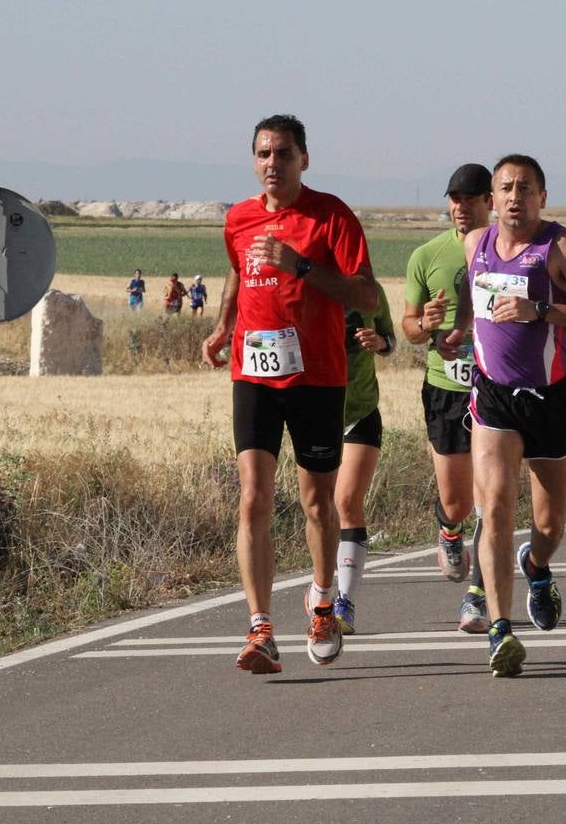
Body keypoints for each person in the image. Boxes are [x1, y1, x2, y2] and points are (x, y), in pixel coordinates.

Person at [201, 114, 377, 675]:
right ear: (253, 161)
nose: (272, 163)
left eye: (283, 154)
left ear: (304, 159)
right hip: (254, 372)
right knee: (252, 496)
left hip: (318, 377)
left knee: (316, 502)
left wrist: (300, 265)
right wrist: (224, 327)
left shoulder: (332, 216)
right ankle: (260, 627)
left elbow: (367, 295)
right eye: (263, 154)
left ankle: (322, 604)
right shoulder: (239, 218)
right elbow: (235, 270)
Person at [446, 154, 566, 677]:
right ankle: (500, 629)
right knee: (494, 507)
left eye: (525, 188)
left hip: (553, 396)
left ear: (543, 197)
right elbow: (474, 309)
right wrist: (452, 332)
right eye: (505, 188)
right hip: (494, 395)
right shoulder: (476, 245)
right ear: (491, 199)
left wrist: (541, 310)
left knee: (549, 523)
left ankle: (537, 565)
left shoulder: (559, 246)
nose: (514, 197)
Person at [402, 163, 493, 634]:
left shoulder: (507, 251)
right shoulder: (427, 255)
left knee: (490, 498)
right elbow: (410, 328)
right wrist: (429, 323)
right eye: (453, 199)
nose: (460, 208)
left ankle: (476, 597)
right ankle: (448, 529)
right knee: (457, 502)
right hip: (445, 388)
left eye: (470, 199)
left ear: (489, 202)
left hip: (495, 388)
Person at [312, 279, 394, 635]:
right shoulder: (310, 286)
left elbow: (391, 339)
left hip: (360, 412)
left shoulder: (369, 292)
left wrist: (379, 343)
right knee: (318, 507)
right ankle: (322, 584)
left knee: (346, 501)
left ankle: (344, 599)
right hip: (315, 415)